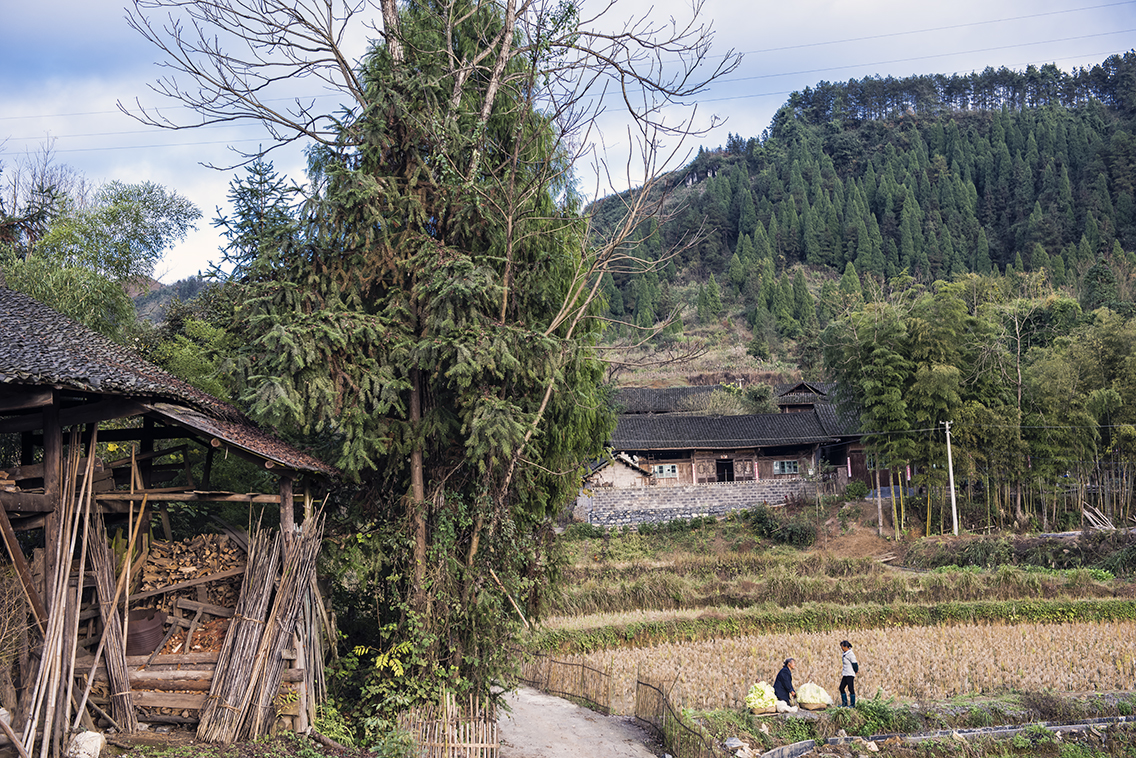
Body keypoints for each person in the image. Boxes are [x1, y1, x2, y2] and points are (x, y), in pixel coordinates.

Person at [839, 640, 857, 707]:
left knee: (851, 689)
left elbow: (855, 664)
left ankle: (852, 705)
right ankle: (844, 703)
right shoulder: (845, 653)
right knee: (841, 688)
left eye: (842, 647)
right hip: (845, 673)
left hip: (850, 674)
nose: (842, 648)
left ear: (846, 646)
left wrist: (856, 670)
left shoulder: (850, 654)